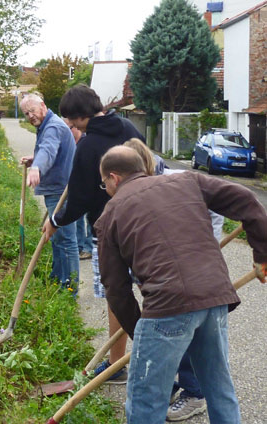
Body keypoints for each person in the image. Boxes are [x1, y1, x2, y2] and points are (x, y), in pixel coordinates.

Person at [94, 145, 267, 424]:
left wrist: (140, 332)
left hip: (167, 306)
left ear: (113, 177)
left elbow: (115, 287)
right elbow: (246, 199)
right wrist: (262, 254)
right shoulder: (186, 180)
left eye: (104, 185)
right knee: (219, 389)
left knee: (145, 402)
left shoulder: (109, 215)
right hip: (215, 298)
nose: (107, 190)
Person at [43, 85, 145, 383]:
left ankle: (119, 365)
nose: (70, 125)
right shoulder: (128, 128)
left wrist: (56, 220)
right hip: (143, 226)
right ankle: (133, 362)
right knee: (151, 294)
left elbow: (78, 199)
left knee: (117, 296)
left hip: (110, 231)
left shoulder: (88, 146)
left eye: (71, 119)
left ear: (80, 116)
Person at [125, 137, 211, 421]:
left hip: (193, 269)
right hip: (165, 270)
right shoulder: (137, 190)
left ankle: (194, 392)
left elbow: (218, 211)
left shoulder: (177, 181)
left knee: (186, 325)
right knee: (173, 329)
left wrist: (208, 246)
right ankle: (179, 383)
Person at [19, 94, 79, 289]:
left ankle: (70, 287)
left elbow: (49, 150)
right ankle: (58, 278)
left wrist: (37, 167)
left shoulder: (52, 127)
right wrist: (34, 159)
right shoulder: (47, 125)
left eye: (33, 111)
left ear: (43, 106)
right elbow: (47, 151)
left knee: (66, 240)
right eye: (26, 113)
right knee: (57, 238)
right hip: (57, 189)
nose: (30, 116)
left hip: (62, 192)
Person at [63, 118, 93, 261]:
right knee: (78, 216)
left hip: (90, 184)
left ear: (75, 127)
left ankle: (89, 247)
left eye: (68, 127)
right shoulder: (69, 143)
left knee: (90, 216)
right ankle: (80, 246)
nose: (66, 131)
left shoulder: (86, 142)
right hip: (76, 184)